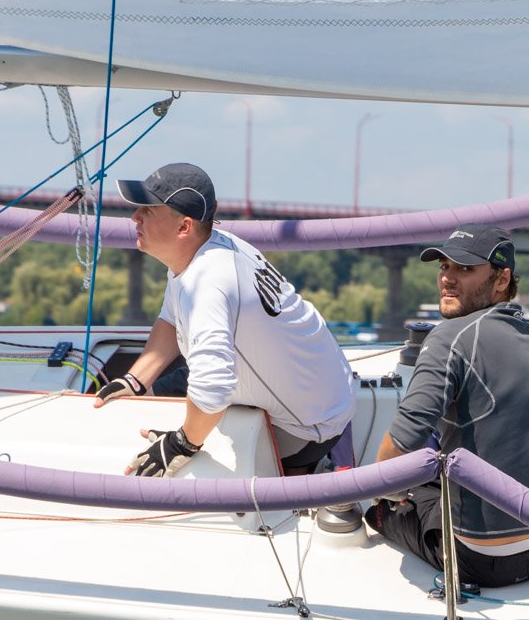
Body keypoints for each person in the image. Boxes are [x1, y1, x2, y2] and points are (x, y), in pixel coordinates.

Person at [93, 162, 355, 478]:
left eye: (148, 209)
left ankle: (307, 472)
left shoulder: (209, 282)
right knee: (154, 404)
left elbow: (213, 390)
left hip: (308, 427)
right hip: (317, 391)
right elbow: (171, 319)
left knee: (177, 444)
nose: (134, 217)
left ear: (183, 227)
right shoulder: (202, 250)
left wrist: (181, 445)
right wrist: (135, 381)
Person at [367, 225, 529, 587]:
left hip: (485, 559)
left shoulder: (448, 338)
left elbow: (392, 460)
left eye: (465, 269)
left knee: (383, 500)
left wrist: (385, 495)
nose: (448, 279)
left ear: (502, 280)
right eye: (444, 267)